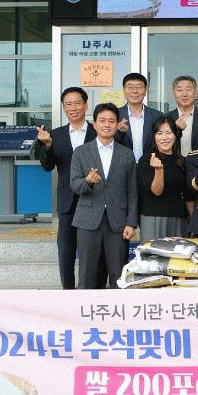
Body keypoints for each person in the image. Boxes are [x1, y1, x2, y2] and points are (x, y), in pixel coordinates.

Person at [35, 87, 101, 290]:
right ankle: (68, 292)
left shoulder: (98, 131)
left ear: (86, 105)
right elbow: (47, 166)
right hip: (67, 201)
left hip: (94, 198)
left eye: (77, 103)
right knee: (66, 251)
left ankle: (91, 291)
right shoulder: (55, 135)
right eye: (69, 104)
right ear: (63, 108)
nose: (73, 108)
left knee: (92, 251)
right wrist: (46, 146)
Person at [70, 103, 138, 289]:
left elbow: (132, 191)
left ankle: (117, 308)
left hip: (118, 222)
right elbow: (74, 185)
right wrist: (88, 182)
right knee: (87, 274)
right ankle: (85, 308)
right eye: (102, 121)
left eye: (111, 121)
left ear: (117, 124)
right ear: (94, 124)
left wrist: (131, 223)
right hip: (88, 221)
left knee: (118, 274)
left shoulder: (126, 154)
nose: (107, 125)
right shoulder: (81, 152)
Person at [137, 116, 193, 242]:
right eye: (160, 133)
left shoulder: (183, 162)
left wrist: (194, 222)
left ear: (175, 135)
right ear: (154, 136)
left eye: (169, 133)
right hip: (153, 218)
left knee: (179, 254)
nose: (164, 137)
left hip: (179, 218)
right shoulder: (146, 161)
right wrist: (159, 170)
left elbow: (188, 196)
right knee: (153, 254)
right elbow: (156, 191)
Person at [115, 72, 163, 161]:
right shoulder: (115, 115)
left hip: (150, 165)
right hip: (122, 166)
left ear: (145, 91)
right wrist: (118, 132)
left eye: (139, 87)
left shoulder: (157, 116)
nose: (134, 91)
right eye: (130, 87)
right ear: (124, 90)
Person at [166, 76, 198, 155]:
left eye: (188, 90)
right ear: (173, 95)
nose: (184, 94)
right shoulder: (166, 118)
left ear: (195, 94)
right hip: (173, 162)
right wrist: (175, 129)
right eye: (179, 90)